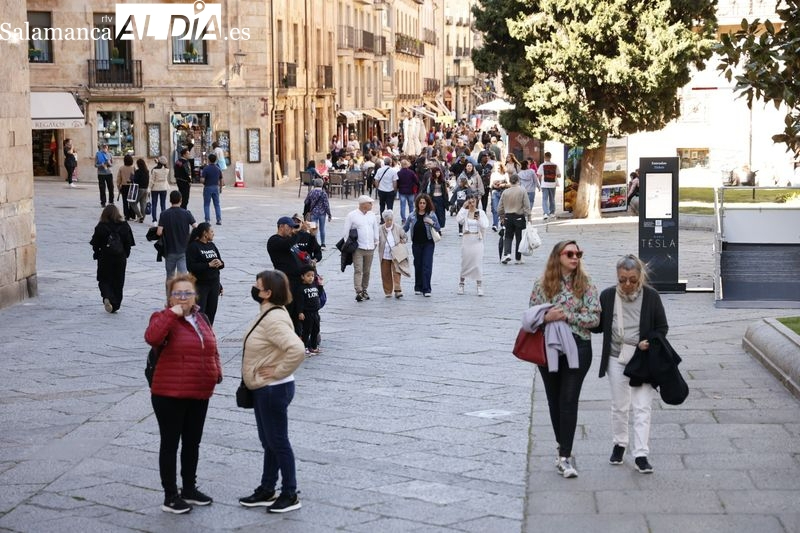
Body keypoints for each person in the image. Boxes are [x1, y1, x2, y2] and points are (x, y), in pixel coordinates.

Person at [145, 273, 223, 514]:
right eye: (177, 293)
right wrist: (172, 314)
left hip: (198, 391)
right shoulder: (162, 317)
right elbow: (152, 337)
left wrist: (216, 372)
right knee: (170, 443)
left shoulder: (201, 318)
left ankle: (189, 488)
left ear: (195, 296)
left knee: (192, 442)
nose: (183, 297)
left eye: (187, 293)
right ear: (170, 297)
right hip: (169, 392)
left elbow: (212, 348)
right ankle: (170, 496)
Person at [529, 240, 600, 478]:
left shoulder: (586, 283)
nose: (575, 257)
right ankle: (562, 445)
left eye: (578, 253)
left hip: (579, 347)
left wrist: (566, 315)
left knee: (568, 399)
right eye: (569, 253)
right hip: (548, 348)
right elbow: (531, 317)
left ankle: (565, 457)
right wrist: (547, 318)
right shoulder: (541, 285)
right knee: (554, 400)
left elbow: (594, 319)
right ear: (557, 257)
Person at [593, 255, 668, 474]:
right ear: (617, 277)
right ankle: (620, 443)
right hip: (616, 356)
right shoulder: (608, 296)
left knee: (642, 406)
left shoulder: (651, 297)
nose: (627, 284)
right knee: (620, 405)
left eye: (633, 280)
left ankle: (641, 454)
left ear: (640, 277)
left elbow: (662, 328)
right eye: (622, 279)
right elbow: (598, 326)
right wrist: (585, 310)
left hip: (643, 357)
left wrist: (649, 343)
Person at [239, 270, 306, 513]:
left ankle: (290, 493)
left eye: (257, 286)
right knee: (269, 441)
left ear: (267, 293)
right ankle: (267, 488)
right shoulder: (270, 312)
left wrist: (277, 371)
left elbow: (297, 349)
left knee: (278, 442)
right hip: (265, 389)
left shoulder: (273, 318)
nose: (254, 289)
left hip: (273, 389)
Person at [89, 204, 135, 313]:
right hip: (120, 257)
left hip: (105, 256)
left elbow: (95, 243)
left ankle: (107, 296)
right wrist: (125, 254)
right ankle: (115, 304)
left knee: (103, 279)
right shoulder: (124, 225)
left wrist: (97, 253)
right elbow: (129, 243)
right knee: (118, 281)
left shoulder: (101, 226)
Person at [267, 216, 303, 331]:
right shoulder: (274, 240)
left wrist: (311, 235)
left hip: (297, 282)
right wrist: (298, 232)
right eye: (290, 227)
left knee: (298, 312)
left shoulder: (289, 240)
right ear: (281, 226)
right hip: (286, 282)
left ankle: (298, 335)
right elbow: (287, 244)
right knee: (288, 310)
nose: (292, 230)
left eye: (293, 227)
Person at [342, 195, 380, 302]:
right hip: (358, 247)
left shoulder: (372, 215)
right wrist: (348, 245)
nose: (372, 205)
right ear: (363, 204)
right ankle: (358, 291)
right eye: (370, 203)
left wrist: (376, 241)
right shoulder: (352, 215)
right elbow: (346, 231)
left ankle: (364, 289)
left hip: (370, 247)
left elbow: (375, 229)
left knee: (367, 271)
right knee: (358, 269)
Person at [403, 193, 441, 297]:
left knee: (427, 265)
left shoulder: (431, 215)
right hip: (416, 244)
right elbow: (405, 228)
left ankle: (427, 289)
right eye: (420, 203)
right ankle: (418, 287)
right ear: (417, 204)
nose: (422, 205)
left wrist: (431, 222)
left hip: (428, 243)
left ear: (427, 204)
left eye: (424, 203)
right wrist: (398, 234)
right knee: (418, 265)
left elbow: (438, 228)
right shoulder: (412, 215)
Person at [186, 223, 225, 325]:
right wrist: (208, 265)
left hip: (214, 284)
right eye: (211, 231)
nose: (213, 233)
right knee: (200, 313)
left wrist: (220, 263)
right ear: (205, 233)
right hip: (201, 285)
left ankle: (208, 331)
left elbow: (221, 263)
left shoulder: (212, 245)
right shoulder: (193, 247)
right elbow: (191, 267)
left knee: (211, 312)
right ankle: (199, 332)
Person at [157, 190, 197, 278]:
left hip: (169, 250)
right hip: (183, 249)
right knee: (182, 277)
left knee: (170, 276)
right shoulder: (187, 213)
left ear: (170, 200)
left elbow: (159, 232)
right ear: (181, 200)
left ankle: (169, 288)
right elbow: (196, 227)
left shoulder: (164, 214)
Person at [455, 194, 489, 296]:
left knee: (477, 263)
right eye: (470, 202)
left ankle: (479, 285)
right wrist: (463, 207)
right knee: (465, 262)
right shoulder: (465, 213)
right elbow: (458, 220)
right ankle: (461, 284)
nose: (472, 204)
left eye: (473, 202)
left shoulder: (480, 213)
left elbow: (485, 225)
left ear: (476, 202)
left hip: (477, 240)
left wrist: (479, 219)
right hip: (467, 239)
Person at [498, 173, 531, 264]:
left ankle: (507, 254)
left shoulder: (505, 192)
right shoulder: (522, 191)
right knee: (519, 238)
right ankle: (518, 258)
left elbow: (500, 207)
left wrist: (502, 216)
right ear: (518, 181)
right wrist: (529, 217)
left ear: (510, 181)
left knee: (508, 236)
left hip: (508, 217)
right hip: (519, 217)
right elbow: (527, 205)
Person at [377, 209, 408, 298]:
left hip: (396, 254)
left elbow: (405, 237)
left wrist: (402, 241)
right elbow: (376, 239)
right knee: (385, 273)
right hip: (384, 254)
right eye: (387, 220)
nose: (389, 222)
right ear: (384, 220)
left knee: (397, 272)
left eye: (391, 219)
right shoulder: (380, 229)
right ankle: (388, 291)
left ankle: (397, 290)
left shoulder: (398, 227)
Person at [296, 264, 323, 355]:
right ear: (302, 276)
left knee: (316, 330)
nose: (311, 278)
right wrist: (300, 312)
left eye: (312, 275)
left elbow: (319, 295)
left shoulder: (314, 285)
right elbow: (300, 302)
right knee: (307, 331)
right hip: (307, 313)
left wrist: (320, 286)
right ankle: (304, 347)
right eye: (308, 276)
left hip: (316, 312)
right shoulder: (301, 288)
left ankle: (314, 347)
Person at [303, 179, 332, 249]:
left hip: (313, 213)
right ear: (322, 184)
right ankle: (323, 244)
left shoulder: (311, 192)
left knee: (313, 229)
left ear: (315, 184)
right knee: (322, 229)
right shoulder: (323, 193)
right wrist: (329, 214)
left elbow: (306, 202)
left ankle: (314, 244)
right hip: (322, 213)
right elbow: (326, 205)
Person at [201, 153, 224, 225]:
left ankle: (207, 220)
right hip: (216, 187)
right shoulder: (218, 169)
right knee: (217, 204)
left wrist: (204, 182)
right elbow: (221, 180)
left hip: (208, 187)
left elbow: (202, 180)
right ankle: (219, 220)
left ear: (208, 160)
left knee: (206, 204)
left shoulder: (206, 169)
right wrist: (220, 188)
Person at [537, 151, 561, 219]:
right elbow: (559, 175)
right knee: (552, 199)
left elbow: (539, 175)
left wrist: (540, 183)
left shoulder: (542, 165)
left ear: (544, 157)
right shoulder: (555, 165)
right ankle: (552, 213)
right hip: (553, 184)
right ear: (550, 157)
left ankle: (545, 213)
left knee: (544, 199)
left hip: (544, 184)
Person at [426, 167, 449, 232]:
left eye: (439, 172)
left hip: (440, 199)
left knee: (441, 214)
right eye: (436, 172)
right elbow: (428, 190)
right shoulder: (431, 181)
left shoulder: (442, 181)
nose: (438, 173)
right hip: (433, 199)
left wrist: (446, 201)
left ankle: (439, 228)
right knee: (434, 214)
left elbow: (445, 191)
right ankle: (435, 228)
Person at [396, 158, 419, 223]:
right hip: (410, 191)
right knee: (411, 205)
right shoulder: (411, 172)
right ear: (407, 165)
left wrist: (398, 188)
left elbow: (397, 182)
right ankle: (411, 218)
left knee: (402, 206)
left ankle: (403, 219)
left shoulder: (399, 173)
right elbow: (416, 180)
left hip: (402, 191)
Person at [150, 156, 171, 223]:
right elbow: (162, 166)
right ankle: (163, 220)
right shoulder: (167, 170)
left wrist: (149, 188)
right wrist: (158, 162)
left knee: (154, 204)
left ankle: (154, 220)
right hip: (163, 187)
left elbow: (152, 180)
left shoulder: (154, 170)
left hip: (155, 188)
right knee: (163, 204)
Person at [489, 162, 509, 230]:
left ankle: (503, 223)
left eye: (498, 168)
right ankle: (495, 224)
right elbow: (490, 185)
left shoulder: (505, 174)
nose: (497, 169)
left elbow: (509, 184)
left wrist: (503, 184)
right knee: (495, 209)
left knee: (503, 209)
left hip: (504, 192)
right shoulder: (493, 174)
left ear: (501, 167)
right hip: (495, 192)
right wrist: (494, 185)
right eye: (496, 168)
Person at [116, 154, 136, 221]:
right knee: (132, 202)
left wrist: (118, 187)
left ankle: (126, 215)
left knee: (125, 202)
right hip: (132, 186)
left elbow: (118, 178)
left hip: (124, 186)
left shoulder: (121, 168)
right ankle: (132, 215)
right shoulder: (133, 168)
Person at [131, 158, 150, 223]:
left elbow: (135, 180)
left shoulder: (138, 172)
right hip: (146, 189)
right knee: (143, 204)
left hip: (139, 189)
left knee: (132, 202)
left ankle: (139, 216)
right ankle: (142, 218)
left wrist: (132, 177)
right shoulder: (147, 171)